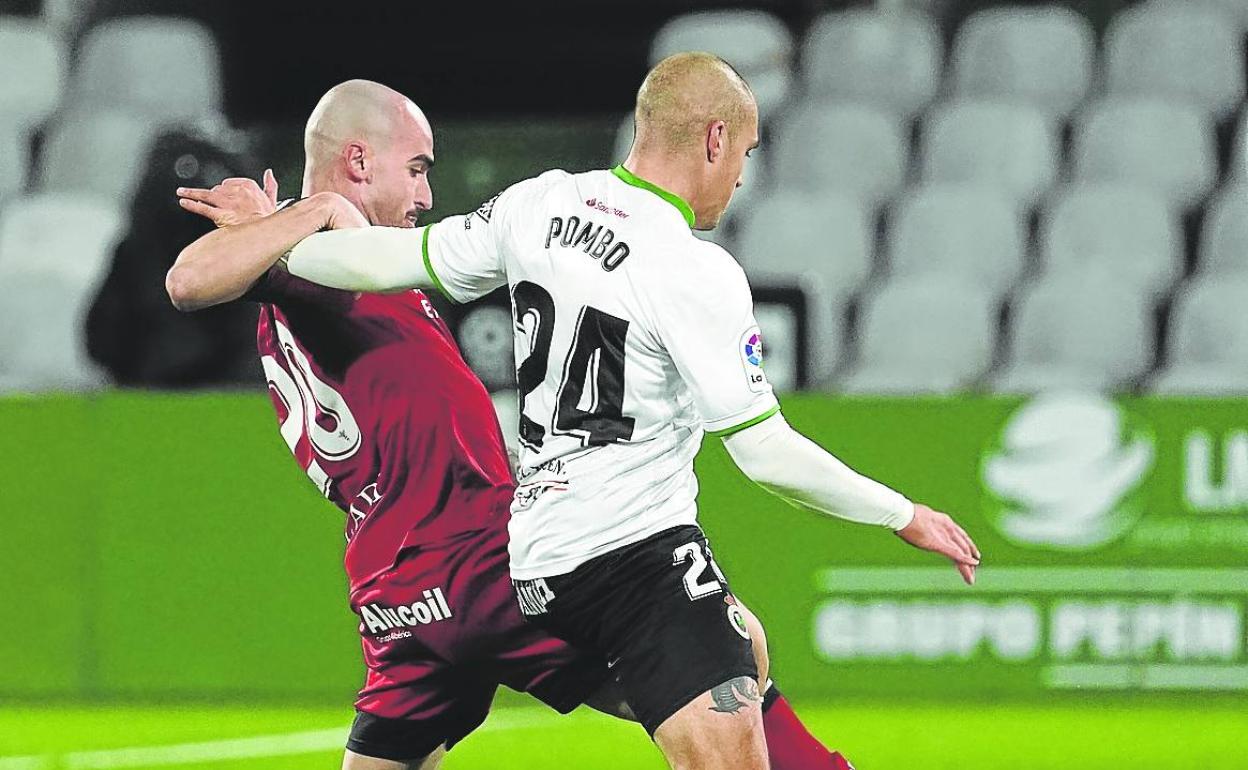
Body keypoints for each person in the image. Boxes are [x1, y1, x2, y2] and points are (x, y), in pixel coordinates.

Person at [273, 54, 982, 770]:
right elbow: (766, 454)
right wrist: (901, 513)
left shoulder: (537, 205)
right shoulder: (694, 270)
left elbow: (380, 261)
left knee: (745, 645)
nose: (741, 176)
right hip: (635, 559)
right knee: (734, 657)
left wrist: (278, 247)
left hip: (540, 566)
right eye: (744, 152)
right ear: (714, 140)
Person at [167, 78, 853, 770]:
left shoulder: (337, 258)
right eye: (417, 169)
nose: (426, 195)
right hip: (477, 560)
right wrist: (304, 212)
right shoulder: (311, 248)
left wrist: (272, 227)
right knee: (726, 645)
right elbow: (188, 281)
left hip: (396, 589)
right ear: (358, 161)